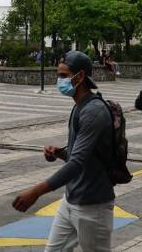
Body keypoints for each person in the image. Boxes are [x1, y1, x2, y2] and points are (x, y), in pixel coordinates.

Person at [11, 51, 115, 252]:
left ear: (80, 76)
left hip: (93, 206)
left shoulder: (94, 111)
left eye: (63, 75)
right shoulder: (79, 107)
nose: (59, 80)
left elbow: (77, 163)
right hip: (71, 199)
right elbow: (79, 156)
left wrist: (36, 192)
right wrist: (59, 153)